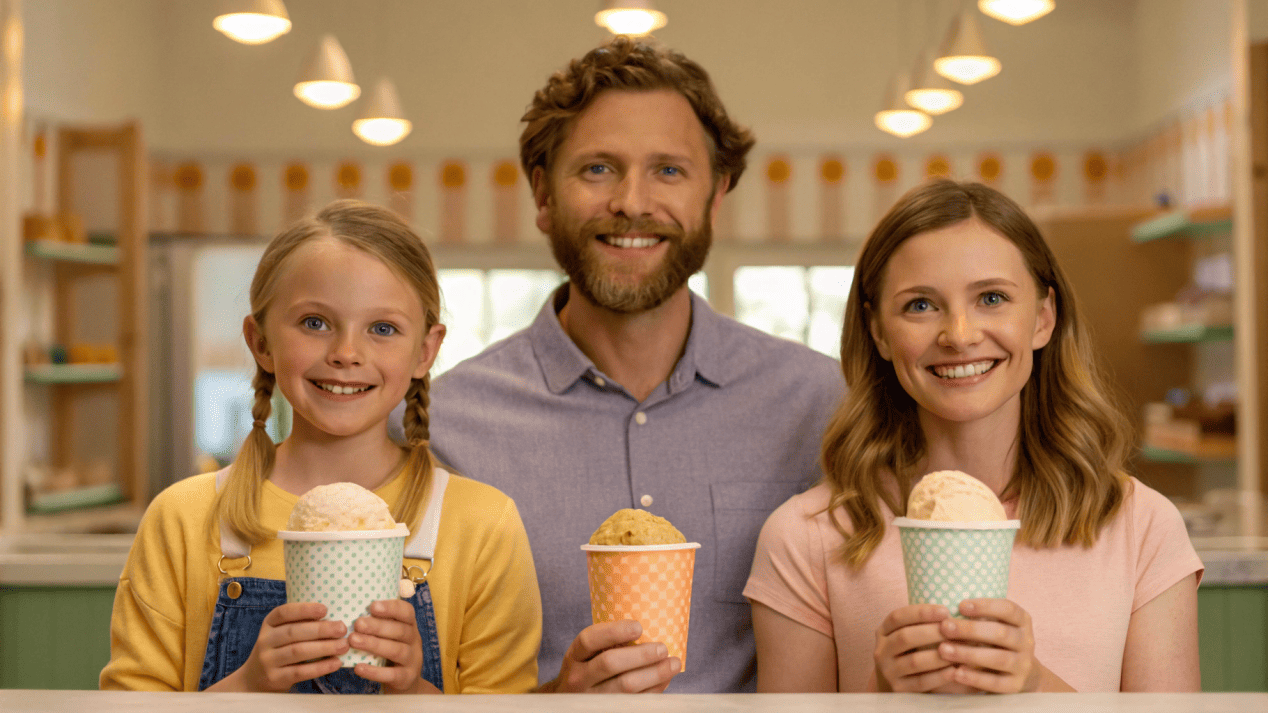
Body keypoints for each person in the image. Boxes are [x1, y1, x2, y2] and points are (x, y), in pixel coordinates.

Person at [425, 37, 844, 693]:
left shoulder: (823, 405)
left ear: (716, 196)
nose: (632, 201)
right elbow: (413, 687)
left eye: (669, 171)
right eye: (597, 169)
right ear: (542, 193)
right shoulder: (442, 426)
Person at [745, 179, 1202, 693]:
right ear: (878, 332)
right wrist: (882, 695)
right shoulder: (805, 538)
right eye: (920, 305)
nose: (959, 335)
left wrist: (1032, 687)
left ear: (1043, 318)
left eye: (991, 298)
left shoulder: (1142, 528)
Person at [100, 200, 541, 694]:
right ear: (261, 341)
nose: (346, 354)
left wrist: (411, 690)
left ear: (425, 350)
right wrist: (247, 687)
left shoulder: (482, 525)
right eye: (314, 322)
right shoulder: (183, 518)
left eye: (382, 328)